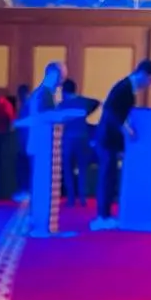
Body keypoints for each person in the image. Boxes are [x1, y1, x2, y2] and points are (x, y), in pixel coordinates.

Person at [93, 58, 151, 227]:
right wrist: (126, 129)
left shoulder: (128, 89)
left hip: (111, 141)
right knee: (106, 177)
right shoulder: (124, 88)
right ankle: (103, 217)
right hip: (106, 139)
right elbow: (111, 113)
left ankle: (106, 215)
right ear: (143, 75)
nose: (150, 85)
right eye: (150, 80)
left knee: (110, 177)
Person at [60, 78, 93, 206]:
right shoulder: (83, 102)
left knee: (68, 169)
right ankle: (83, 196)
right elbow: (97, 102)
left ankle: (71, 198)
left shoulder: (62, 105)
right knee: (82, 168)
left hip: (67, 140)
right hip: (83, 138)